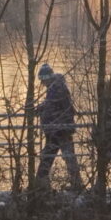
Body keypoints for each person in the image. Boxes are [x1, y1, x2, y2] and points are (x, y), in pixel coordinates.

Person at [31, 64, 81, 192]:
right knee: (68, 157)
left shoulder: (56, 88)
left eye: (43, 80)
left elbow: (52, 106)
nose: (42, 83)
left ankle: (41, 186)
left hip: (57, 130)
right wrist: (41, 107)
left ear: (47, 78)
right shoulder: (56, 87)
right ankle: (76, 184)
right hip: (61, 128)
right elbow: (52, 104)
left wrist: (40, 109)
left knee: (48, 157)